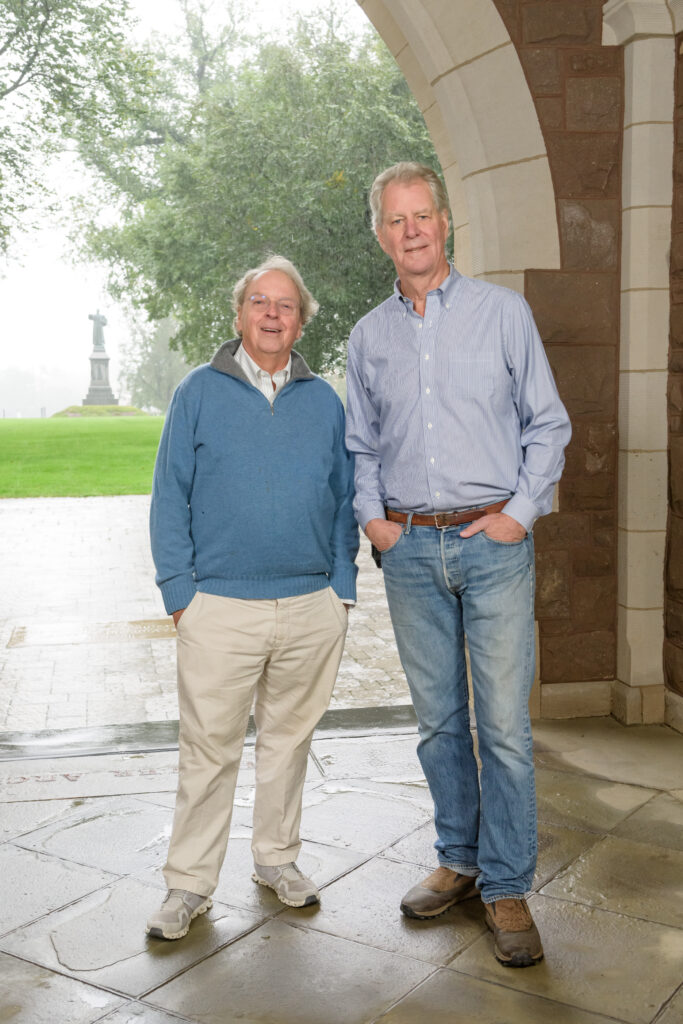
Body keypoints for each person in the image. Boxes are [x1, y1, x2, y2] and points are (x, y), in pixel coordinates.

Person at [345, 163, 571, 968]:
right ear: (381, 235)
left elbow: (547, 424)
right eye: (396, 220)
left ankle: (506, 886)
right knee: (439, 722)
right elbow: (361, 443)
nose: (411, 230)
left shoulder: (503, 315)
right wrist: (374, 522)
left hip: (491, 546)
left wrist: (517, 514)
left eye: (423, 216)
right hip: (408, 550)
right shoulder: (367, 336)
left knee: (503, 729)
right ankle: (461, 860)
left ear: (445, 224)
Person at [147, 255, 358, 940]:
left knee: (288, 744)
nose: (271, 314)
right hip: (218, 608)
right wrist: (181, 593)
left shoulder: (324, 401)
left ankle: (277, 861)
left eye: (286, 305)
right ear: (239, 314)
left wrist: (341, 589)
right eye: (260, 302)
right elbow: (168, 495)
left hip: (309, 605)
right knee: (207, 751)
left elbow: (342, 501)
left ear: (301, 322)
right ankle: (187, 886)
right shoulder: (198, 392)